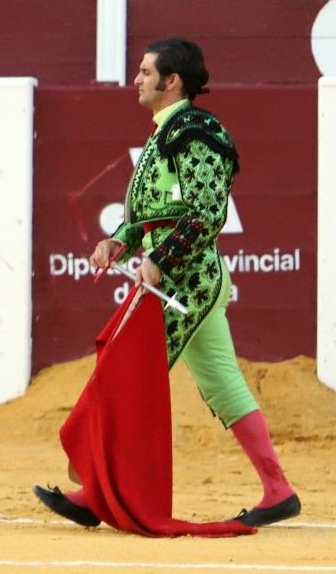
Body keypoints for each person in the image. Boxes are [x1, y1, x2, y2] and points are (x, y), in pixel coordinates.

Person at [36, 37, 296, 534]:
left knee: (125, 372)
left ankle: (97, 493)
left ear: (171, 81)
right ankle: (278, 490)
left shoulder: (193, 132)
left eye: (144, 71)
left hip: (186, 281)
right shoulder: (168, 132)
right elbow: (158, 215)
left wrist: (161, 258)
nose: (136, 79)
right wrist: (119, 241)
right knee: (222, 381)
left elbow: (206, 211)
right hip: (183, 278)